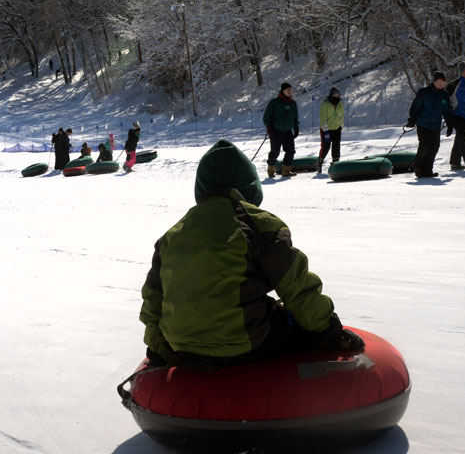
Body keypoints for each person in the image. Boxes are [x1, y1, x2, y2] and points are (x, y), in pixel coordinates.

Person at [138, 139, 364, 372]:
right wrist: (330, 332)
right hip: (245, 345)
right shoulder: (259, 225)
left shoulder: (172, 235)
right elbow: (297, 288)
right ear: (249, 185)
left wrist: (158, 348)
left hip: (181, 347)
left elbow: (153, 299)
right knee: (293, 323)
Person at [407, 72, 454, 178]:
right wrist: (412, 119)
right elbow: (415, 106)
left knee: (434, 147)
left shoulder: (444, 95)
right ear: (434, 82)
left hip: (435, 126)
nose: (441, 84)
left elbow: (447, 111)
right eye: (439, 82)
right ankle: (418, 168)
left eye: (443, 82)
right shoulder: (424, 92)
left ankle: (428, 170)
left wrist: (450, 124)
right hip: (423, 124)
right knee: (425, 146)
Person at [263, 82, 299, 178]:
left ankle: (286, 170)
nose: (289, 92)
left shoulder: (293, 103)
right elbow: (266, 116)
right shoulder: (274, 102)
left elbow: (295, 117)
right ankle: (270, 168)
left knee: (291, 150)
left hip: (288, 131)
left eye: (290, 90)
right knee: (275, 151)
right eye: (287, 90)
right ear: (282, 91)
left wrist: (296, 128)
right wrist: (269, 127)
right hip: (276, 130)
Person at [317, 87, 345, 173]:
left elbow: (341, 115)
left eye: (338, 95)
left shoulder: (340, 103)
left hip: (337, 128)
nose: (337, 96)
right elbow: (323, 118)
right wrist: (325, 130)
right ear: (331, 95)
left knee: (336, 147)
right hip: (327, 129)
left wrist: (341, 125)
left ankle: (335, 164)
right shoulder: (325, 104)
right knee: (326, 147)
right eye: (335, 94)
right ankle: (319, 163)